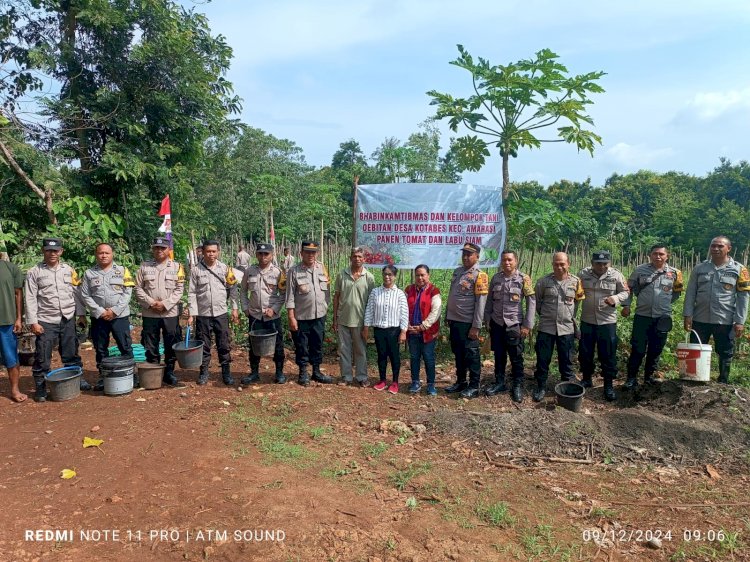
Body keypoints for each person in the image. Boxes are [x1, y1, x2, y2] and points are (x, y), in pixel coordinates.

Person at [24, 237, 90, 401]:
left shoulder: (69, 270)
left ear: (61, 251)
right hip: (46, 320)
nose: (52, 253)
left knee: (71, 352)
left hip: (67, 318)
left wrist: (81, 314)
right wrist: (33, 322)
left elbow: (77, 292)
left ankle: (77, 378)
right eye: (48, 250)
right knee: (42, 355)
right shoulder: (35, 272)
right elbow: (30, 298)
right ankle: (41, 386)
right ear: (43, 251)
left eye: (55, 250)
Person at [683, 236, 750, 383]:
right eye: (713, 246)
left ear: (728, 249)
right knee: (696, 349)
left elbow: (743, 297)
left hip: (724, 319)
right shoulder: (700, 268)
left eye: (720, 246)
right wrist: (687, 314)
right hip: (700, 318)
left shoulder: (739, 269)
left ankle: (723, 381)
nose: (716, 249)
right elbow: (690, 293)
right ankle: (694, 379)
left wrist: (739, 321)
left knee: (725, 351)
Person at [622, 244, 683, 389]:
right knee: (638, 348)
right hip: (642, 316)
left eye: (661, 254)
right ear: (650, 255)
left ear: (667, 256)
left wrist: (664, 303)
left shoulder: (675, 273)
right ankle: (631, 378)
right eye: (655, 253)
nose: (658, 256)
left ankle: (649, 377)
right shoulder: (640, 270)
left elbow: (676, 293)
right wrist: (626, 305)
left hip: (662, 317)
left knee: (656, 349)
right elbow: (629, 289)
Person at [80, 243, 135, 390]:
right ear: (96, 255)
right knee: (101, 348)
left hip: (120, 316)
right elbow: (85, 295)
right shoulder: (89, 273)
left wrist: (115, 311)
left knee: (125, 346)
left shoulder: (123, 271)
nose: (103, 255)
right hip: (99, 318)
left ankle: (130, 375)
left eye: (107, 253)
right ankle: (103, 377)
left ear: (113, 254)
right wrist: (100, 311)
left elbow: (127, 292)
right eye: (100, 253)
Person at [576, 251, 629, 401]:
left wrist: (616, 298)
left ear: (609, 263)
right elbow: (576, 292)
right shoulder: (583, 274)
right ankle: (586, 379)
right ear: (592, 263)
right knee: (585, 353)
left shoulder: (616, 275)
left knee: (608, 354)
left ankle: (608, 384)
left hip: (607, 322)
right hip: (587, 321)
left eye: (605, 263)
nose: (601, 266)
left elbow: (626, 292)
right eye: (598, 263)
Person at [533, 252, 585, 402]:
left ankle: (566, 388)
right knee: (543, 359)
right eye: (556, 264)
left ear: (568, 264)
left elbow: (577, 302)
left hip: (567, 328)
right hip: (546, 327)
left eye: (562, 264)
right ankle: (541, 386)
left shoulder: (576, 282)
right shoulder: (543, 282)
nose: (559, 267)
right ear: (552, 264)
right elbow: (538, 302)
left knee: (566, 359)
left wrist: (568, 316)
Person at [484, 250, 535, 403]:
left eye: (510, 260)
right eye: (504, 260)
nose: (507, 263)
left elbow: (531, 302)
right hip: (497, 323)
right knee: (499, 355)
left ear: (516, 261)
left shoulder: (523, 279)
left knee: (516, 356)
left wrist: (527, 325)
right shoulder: (496, 278)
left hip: (514, 324)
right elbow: (489, 301)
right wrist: (487, 319)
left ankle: (517, 384)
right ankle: (499, 382)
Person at [134, 237, 185, 387]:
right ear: (153, 249)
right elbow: (137, 288)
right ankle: (153, 370)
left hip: (169, 313)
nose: (159, 250)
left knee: (171, 341)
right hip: (150, 313)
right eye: (156, 248)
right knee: (150, 342)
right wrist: (151, 303)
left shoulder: (177, 267)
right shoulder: (144, 266)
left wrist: (165, 304)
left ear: (168, 250)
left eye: (163, 248)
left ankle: (169, 372)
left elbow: (179, 289)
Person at [187, 240, 239, 386]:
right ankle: (203, 372)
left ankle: (226, 372)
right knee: (204, 344)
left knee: (224, 344)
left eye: (214, 251)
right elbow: (191, 293)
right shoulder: (196, 270)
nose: (211, 254)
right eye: (208, 251)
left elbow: (233, 289)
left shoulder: (225, 269)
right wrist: (192, 313)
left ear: (218, 252)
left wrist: (234, 308)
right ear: (203, 252)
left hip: (221, 313)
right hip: (203, 314)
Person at [445, 243, 489, 399]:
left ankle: (474, 386)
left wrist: (476, 326)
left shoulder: (480, 275)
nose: (465, 257)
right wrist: (447, 315)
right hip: (455, 321)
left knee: (471, 354)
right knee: (458, 353)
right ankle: (461, 381)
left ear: (477, 256)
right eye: (464, 254)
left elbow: (481, 303)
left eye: (469, 254)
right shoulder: (458, 272)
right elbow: (452, 295)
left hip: (468, 323)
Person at [285, 241, 332, 386]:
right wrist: (291, 317)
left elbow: (327, 291)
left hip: (319, 316)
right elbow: (290, 296)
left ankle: (316, 371)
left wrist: (324, 307)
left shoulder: (322, 268)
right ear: (301, 253)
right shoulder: (294, 271)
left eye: (313, 252)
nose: (311, 255)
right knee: (302, 345)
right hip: (302, 317)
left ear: (316, 253)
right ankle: (303, 372)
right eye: (307, 252)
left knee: (317, 344)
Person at [239, 242, 286, 385]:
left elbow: (283, 294)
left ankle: (279, 373)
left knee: (278, 345)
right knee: (254, 345)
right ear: (256, 255)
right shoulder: (250, 271)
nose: (263, 257)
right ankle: (254, 373)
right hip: (255, 316)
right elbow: (243, 291)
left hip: (272, 316)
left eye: (266, 254)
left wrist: (275, 309)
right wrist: (245, 308)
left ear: (272, 255)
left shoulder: (278, 272)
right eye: (260, 253)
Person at [333, 247, 376, 387]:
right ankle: (346, 376)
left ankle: (362, 376)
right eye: (354, 256)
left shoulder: (369, 277)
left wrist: (368, 323)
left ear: (364, 259)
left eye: (359, 256)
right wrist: (335, 318)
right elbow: (336, 297)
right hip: (343, 319)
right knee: (344, 349)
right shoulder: (342, 274)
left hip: (360, 321)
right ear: (350, 258)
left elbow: (371, 301)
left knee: (360, 350)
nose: (357, 259)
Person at [363, 265, 408, 394]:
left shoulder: (399, 294)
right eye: (385, 274)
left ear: (395, 276)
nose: (387, 277)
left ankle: (395, 382)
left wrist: (403, 331)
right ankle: (382, 380)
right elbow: (369, 310)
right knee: (381, 355)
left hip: (394, 331)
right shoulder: (375, 292)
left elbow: (404, 313)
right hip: (379, 330)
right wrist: (366, 326)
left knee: (394, 356)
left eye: (390, 274)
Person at [405, 264, 441, 396]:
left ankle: (431, 384)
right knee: (414, 357)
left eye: (422, 275)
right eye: (417, 275)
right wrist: (407, 325)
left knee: (428, 357)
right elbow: (403, 308)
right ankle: (415, 382)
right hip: (411, 330)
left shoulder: (434, 291)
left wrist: (422, 327)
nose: (420, 278)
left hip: (427, 332)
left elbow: (435, 312)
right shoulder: (409, 289)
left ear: (428, 275)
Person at [0, 256, 26, 402]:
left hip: (6, 321)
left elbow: (18, 293)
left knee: (11, 357)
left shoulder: (11, 268)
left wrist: (18, 318)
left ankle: (15, 390)